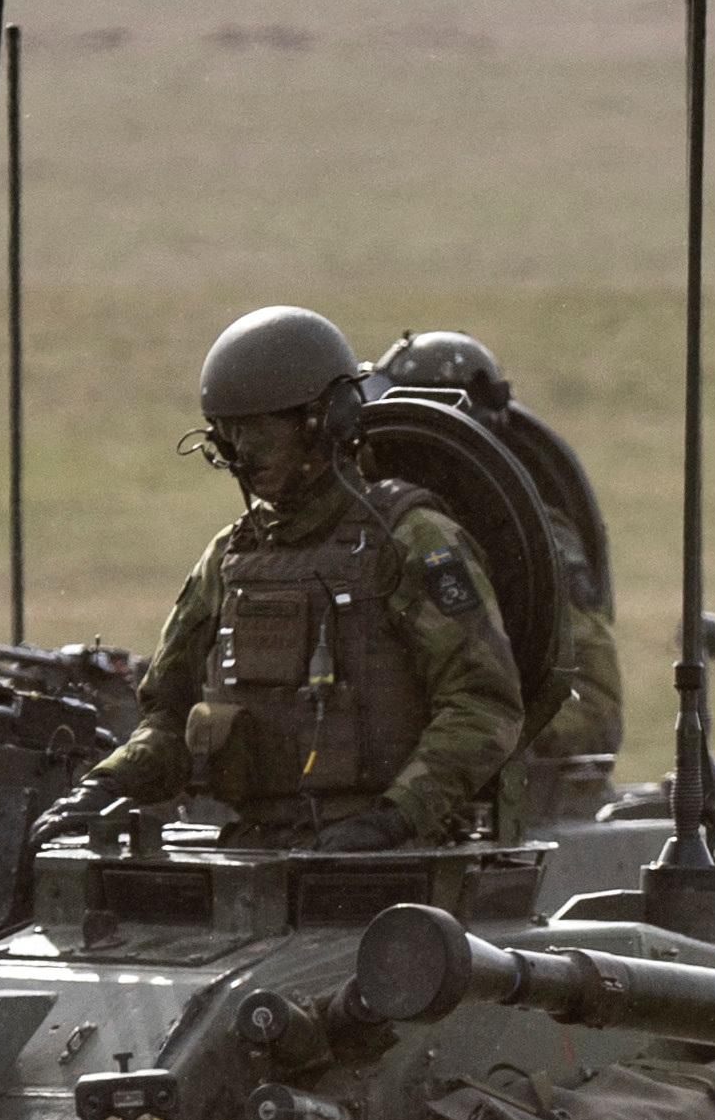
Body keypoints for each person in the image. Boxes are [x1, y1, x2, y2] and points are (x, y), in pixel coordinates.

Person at [60, 306, 523, 845]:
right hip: (253, 858)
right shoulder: (231, 556)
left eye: (256, 432)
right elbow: (168, 718)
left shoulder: (412, 540)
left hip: (393, 864)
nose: (240, 455)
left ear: (320, 422)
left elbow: (484, 705)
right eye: (228, 435)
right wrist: (101, 789)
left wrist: (393, 818)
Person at [370, 330, 623, 800]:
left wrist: (483, 745)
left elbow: (595, 705)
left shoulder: (535, 547)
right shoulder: (369, 529)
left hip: (507, 795)